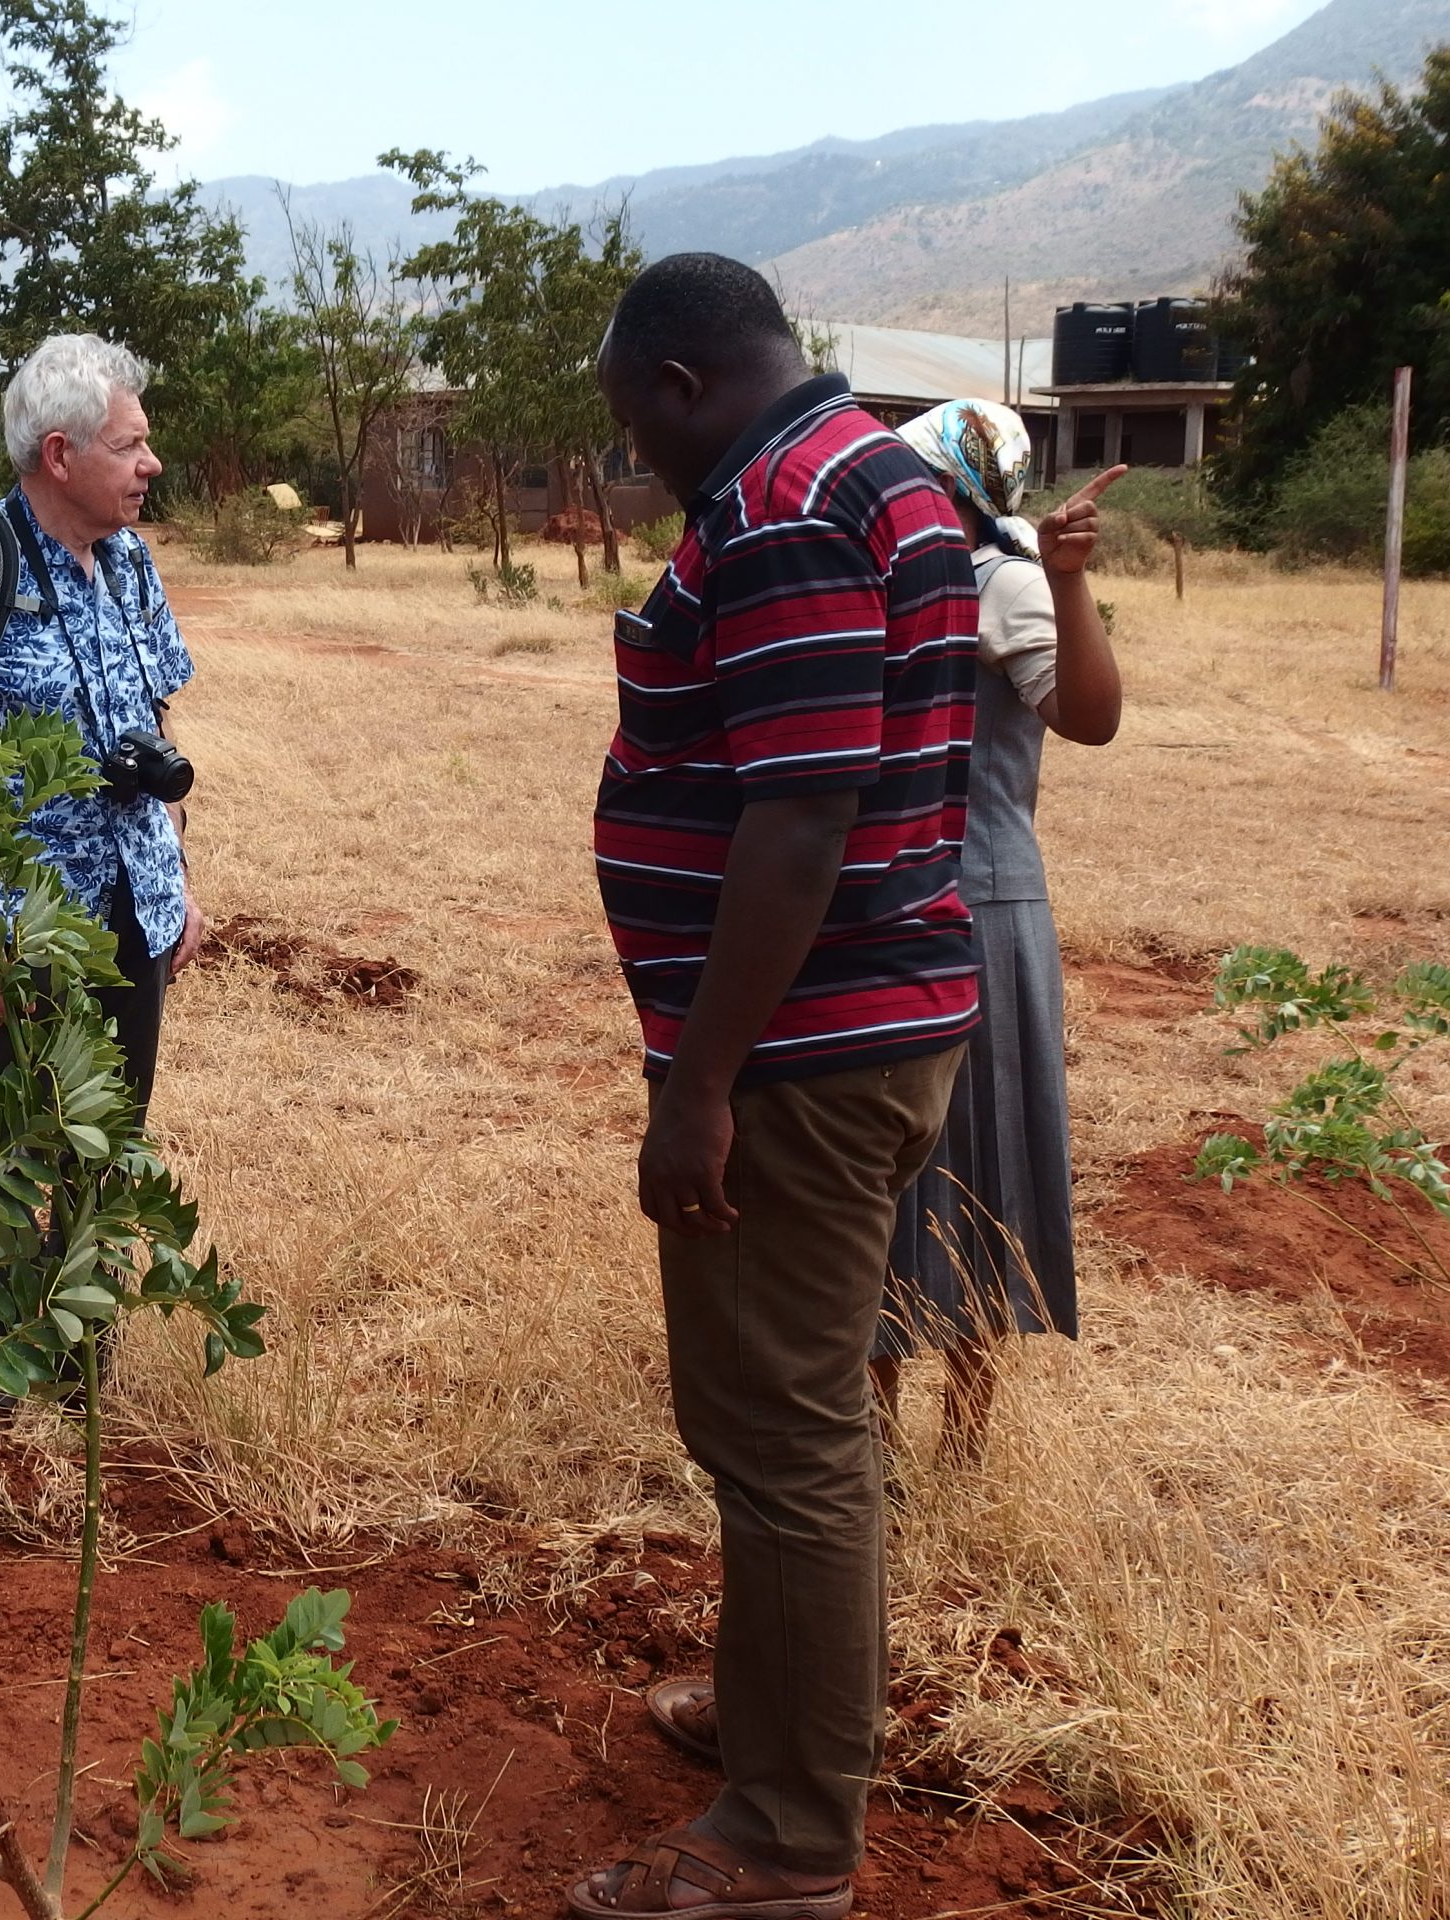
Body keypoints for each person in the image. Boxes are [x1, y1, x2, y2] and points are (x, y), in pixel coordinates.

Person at [569, 254, 981, 1920]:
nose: (631, 458)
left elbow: (798, 819)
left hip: (803, 1058)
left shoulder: (788, 510)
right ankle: (769, 1712)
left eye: (626, 425)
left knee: (784, 1435)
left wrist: (701, 1087)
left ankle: (791, 1837)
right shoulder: (878, 471)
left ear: (680, 381)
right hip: (867, 1029)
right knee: (780, 1422)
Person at [877, 406, 1126, 1460]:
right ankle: (873, 1445)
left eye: (914, 474)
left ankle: (964, 1446)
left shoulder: (1008, 583)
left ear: (959, 489)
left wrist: (1066, 580)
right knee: (878, 1173)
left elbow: (1090, 717)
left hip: (979, 910)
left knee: (978, 1170)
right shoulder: (889, 581)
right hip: (887, 909)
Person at [0, 331, 205, 1126]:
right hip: (17, 933)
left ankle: (97, 1258)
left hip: (136, 914)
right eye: (130, 445)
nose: (151, 463)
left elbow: (158, 727)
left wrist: (176, 879)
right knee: (2, 1176)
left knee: (109, 1158)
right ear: (59, 454)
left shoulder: (131, 562)